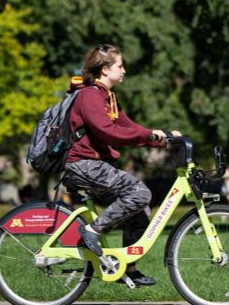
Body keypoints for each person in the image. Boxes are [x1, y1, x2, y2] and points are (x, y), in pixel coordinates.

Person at [64, 44, 178, 287]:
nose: (124, 70)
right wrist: (149, 135)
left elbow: (127, 127)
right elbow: (109, 133)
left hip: (97, 164)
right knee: (140, 192)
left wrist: (161, 138)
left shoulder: (109, 98)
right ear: (105, 69)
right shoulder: (89, 96)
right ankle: (92, 231)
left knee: (140, 206)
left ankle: (127, 268)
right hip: (83, 164)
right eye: (120, 65)